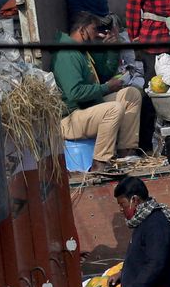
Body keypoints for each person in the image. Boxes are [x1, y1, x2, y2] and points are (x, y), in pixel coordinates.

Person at [55, 11, 144, 171]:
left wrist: (111, 48)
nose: (98, 34)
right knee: (113, 109)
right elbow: (75, 93)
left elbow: (104, 72)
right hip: (71, 119)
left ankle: (126, 152)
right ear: (82, 31)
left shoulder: (82, 50)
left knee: (131, 94)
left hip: (88, 107)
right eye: (94, 29)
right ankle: (100, 162)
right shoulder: (67, 54)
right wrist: (106, 87)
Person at [114, 177, 170, 287]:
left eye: (123, 204)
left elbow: (155, 264)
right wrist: (122, 273)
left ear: (135, 200)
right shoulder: (143, 220)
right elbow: (142, 256)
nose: (121, 209)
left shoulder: (156, 224)